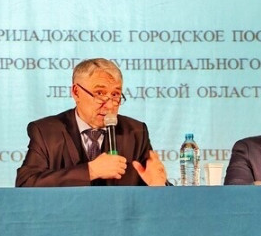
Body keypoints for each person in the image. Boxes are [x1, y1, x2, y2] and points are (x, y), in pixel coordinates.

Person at [16, 58, 168, 187]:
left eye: (115, 94)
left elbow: (156, 184)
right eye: (100, 93)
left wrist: (159, 187)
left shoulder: (135, 132)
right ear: (76, 92)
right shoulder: (46, 131)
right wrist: (90, 171)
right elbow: (26, 183)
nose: (110, 105)